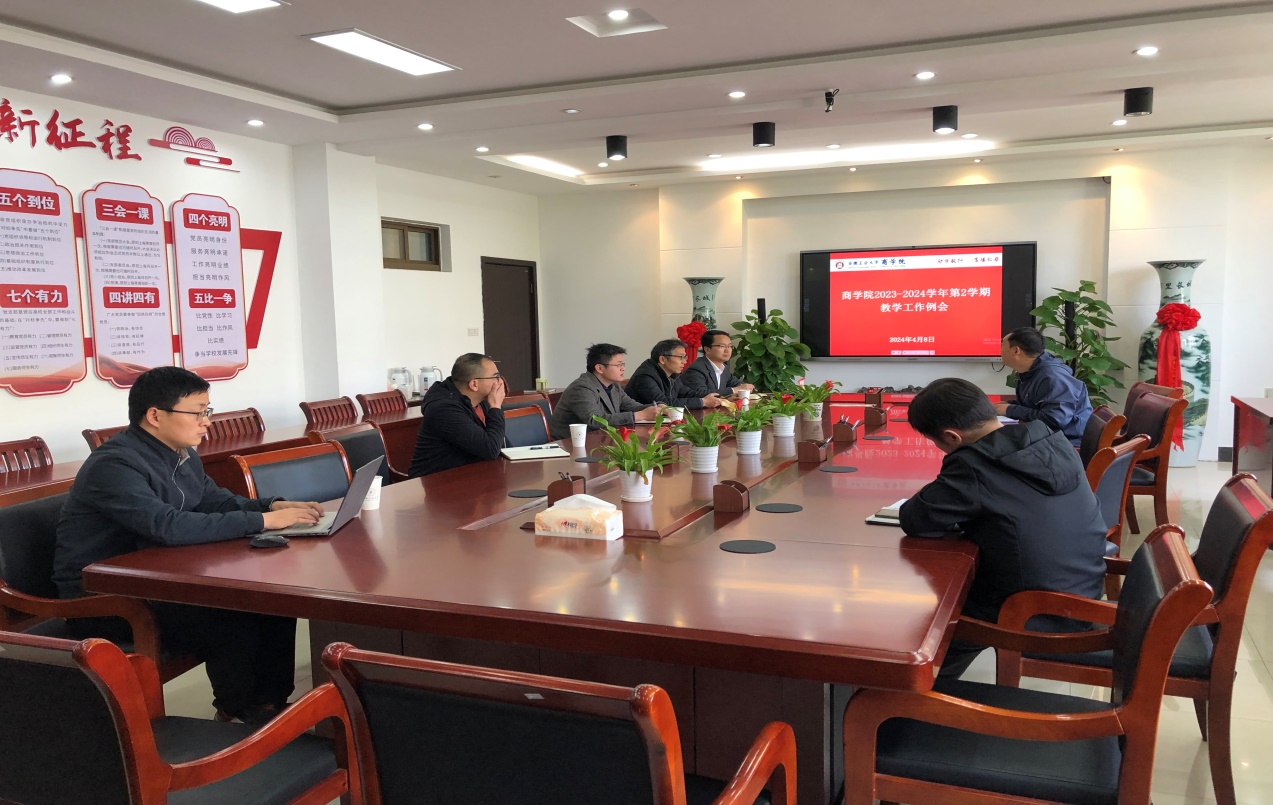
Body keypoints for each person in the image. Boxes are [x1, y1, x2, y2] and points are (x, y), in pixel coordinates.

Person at [53, 366, 324, 725]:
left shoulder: (180, 453)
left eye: (207, 410)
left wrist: (271, 506)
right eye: (197, 412)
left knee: (274, 598)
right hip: (105, 596)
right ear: (155, 416)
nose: (206, 421)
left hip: (156, 578)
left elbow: (215, 500)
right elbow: (166, 526)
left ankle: (269, 705)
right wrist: (263, 522)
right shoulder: (115, 464)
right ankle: (237, 711)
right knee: (234, 607)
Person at [899, 377, 1108, 679]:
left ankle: (917, 694)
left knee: (931, 620)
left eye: (937, 443)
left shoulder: (974, 465)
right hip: (1082, 590)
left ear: (951, 436)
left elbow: (916, 520)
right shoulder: (1048, 437)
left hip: (1030, 609)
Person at [409, 353, 507, 478]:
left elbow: (500, 444)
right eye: (496, 377)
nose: (500, 381)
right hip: (437, 482)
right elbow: (490, 449)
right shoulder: (444, 409)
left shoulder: (481, 402)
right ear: (474, 384)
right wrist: (496, 407)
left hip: (471, 475)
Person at [995, 326, 1093, 446]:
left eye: (1002, 346)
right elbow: (1038, 404)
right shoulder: (1031, 371)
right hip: (1048, 437)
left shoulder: (1052, 377)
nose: (1000, 350)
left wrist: (1011, 410)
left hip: (1065, 443)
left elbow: (1055, 419)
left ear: (1016, 351)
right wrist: (1011, 405)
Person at [550, 343, 660, 439]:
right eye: (618, 365)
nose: (623, 368)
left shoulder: (614, 386)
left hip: (599, 439)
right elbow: (595, 420)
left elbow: (632, 406)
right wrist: (639, 415)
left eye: (623, 364)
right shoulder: (581, 388)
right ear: (599, 368)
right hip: (568, 444)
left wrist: (660, 407)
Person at [627, 338, 724, 411]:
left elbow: (688, 393)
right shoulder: (645, 376)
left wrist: (721, 398)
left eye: (685, 357)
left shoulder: (672, 374)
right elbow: (664, 403)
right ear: (663, 359)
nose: (684, 362)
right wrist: (703, 402)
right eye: (681, 357)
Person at [681, 329, 754, 398]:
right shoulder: (696, 369)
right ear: (707, 349)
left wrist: (746, 387)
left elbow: (736, 384)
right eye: (722, 346)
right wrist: (733, 390)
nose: (727, 350)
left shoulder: (723, 368)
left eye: (729, 346)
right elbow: (701, 393)